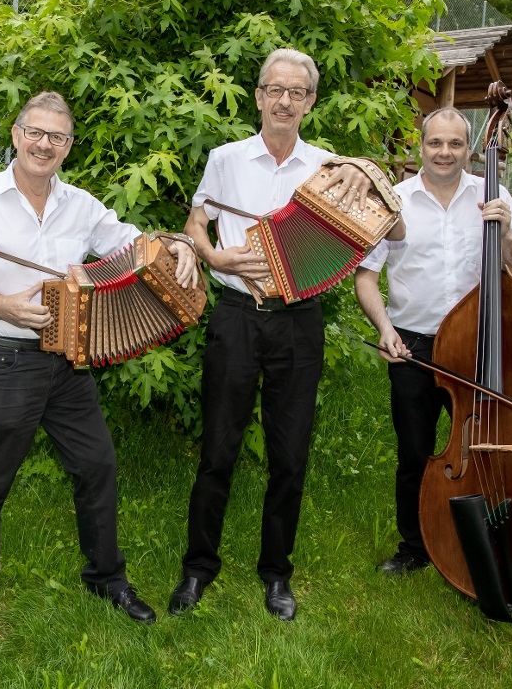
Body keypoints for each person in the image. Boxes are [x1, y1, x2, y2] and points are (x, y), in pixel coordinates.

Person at [0, 90, 199, 652]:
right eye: (35, 132)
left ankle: (106, 581)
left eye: (58, 137)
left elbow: (132, 242)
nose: (45, 144)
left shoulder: (81, 205)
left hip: (67, 365)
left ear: (68, 147)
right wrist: (1, 306)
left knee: (97, 467)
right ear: (17, 135)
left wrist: (180, 244)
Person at [168, 48, 393, 621]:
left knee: (290, 456)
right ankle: (197, 570)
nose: (284, 101)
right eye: (275, 89)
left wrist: (367, 169)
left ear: (311, 102)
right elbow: (198, 220)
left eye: (297, 92)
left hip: (300, 321)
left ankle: (277, 575)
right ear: (259, 94)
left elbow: (391, 216)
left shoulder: (328, 169)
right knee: (218, 449)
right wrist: (216, 255)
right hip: (237, 318)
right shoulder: (224, 159)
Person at [354, 105, 512, 576]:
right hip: (412, 345)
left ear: (469, 150)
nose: (445, 152)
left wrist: (507, 230)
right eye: (436, 142)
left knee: (481, 450)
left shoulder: (495, 196)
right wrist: (385, 330)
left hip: (478, 344)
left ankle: (485, 545)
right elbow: (366, 278)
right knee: (414, 453)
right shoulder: (395, 200)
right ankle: (415, 548)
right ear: (421, 146)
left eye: (455, 144)